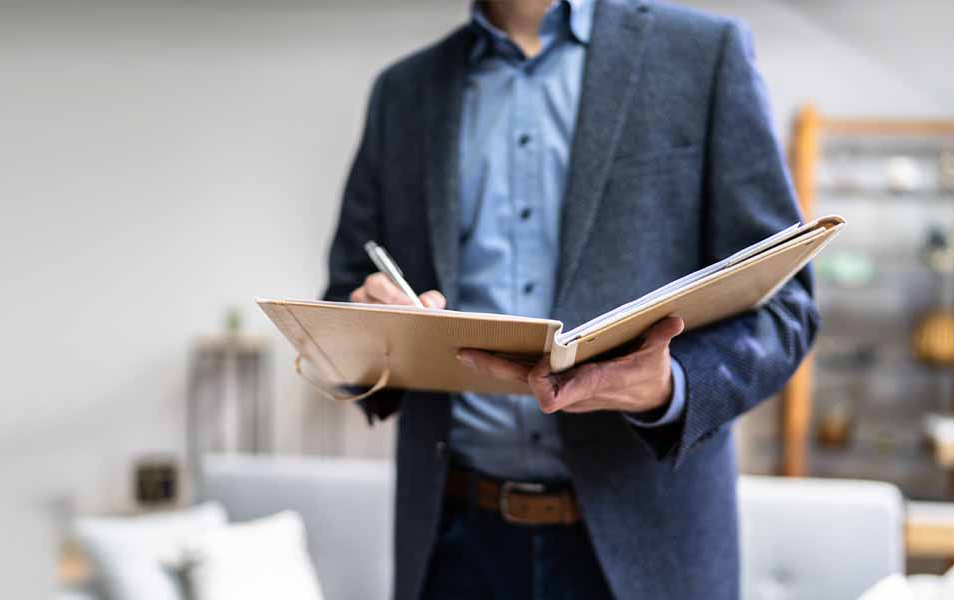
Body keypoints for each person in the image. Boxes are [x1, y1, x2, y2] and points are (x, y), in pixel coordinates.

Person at [322, 0, 818, 598]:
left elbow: (785, 306)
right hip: (452, 542)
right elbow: (343, 297)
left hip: (647, 546)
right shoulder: (403, 92)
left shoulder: (704, 54)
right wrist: (375, 328)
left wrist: (671, 386)